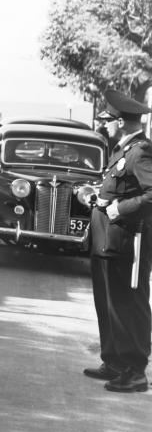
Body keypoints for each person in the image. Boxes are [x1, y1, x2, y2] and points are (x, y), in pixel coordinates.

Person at [85, 88, 152, 394]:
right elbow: (118, 188)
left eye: (108, 120)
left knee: (129, 305)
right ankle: (113, 360)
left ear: (122, 122)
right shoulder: (122, 150)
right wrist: (97, 196)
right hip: (108, 240)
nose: (104, 125)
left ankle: (135, 370)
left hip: (127, 241)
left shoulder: (141, 151)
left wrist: (119, 208)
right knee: (109, 303)